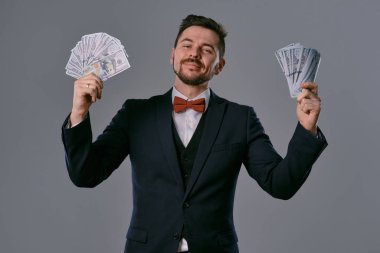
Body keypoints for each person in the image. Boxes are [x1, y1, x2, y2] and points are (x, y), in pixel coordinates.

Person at [61, 14, 327, 253]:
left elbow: (280, 184)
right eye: (187, 45)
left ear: (219, 65)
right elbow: (86, 174)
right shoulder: (135, 114)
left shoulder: (241, 119)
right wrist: (79, 112)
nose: (194, 53)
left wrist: (307, 128)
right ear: (173, 55)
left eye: (206, 49)